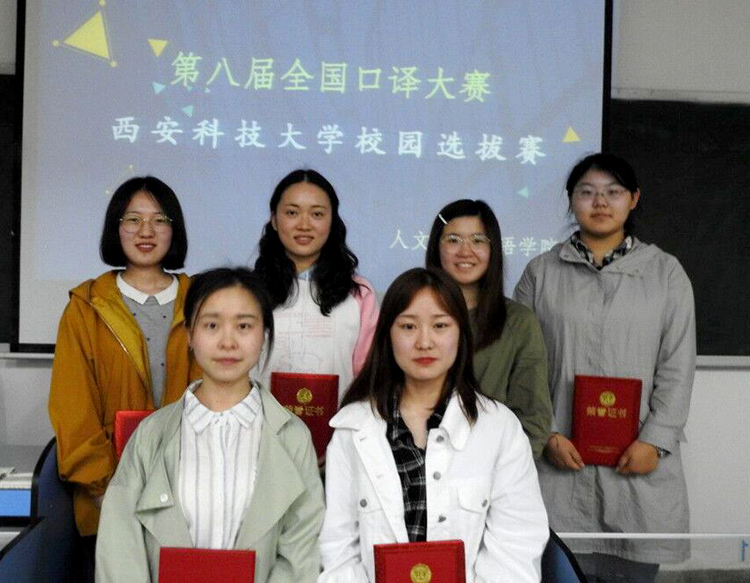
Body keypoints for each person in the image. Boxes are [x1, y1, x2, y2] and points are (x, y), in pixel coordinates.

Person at [514, 153, 696, 582]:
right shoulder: (541, 273)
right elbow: (522, 369)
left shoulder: (665, 274)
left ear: (633, 199)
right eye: (587, 192)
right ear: (571, 200)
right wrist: (546, 434)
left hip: (637, 466)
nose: (600, 202)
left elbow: (677, 366)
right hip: (558, 464)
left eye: (613, 192)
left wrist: (656, 442)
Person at [319, 268, 548, 583]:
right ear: (387, 334)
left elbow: (516, 548)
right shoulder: (352, 429)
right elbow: (338, 548)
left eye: (440, 325)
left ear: (461, 333)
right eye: (408, 326)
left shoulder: (500, 429)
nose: (424, 342)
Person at [96, 267, 325, 582]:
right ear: (190, 334)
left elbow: (301, 550)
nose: (227, 342)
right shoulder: (151, 434)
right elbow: (119, 544)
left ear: (264, 335)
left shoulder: (292, 437)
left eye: (244, 326)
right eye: (212, 325)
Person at [48, 176, 198, 544]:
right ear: (116, 228)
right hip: (107, 503)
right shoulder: (86, 307)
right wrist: (107, 494)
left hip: (191, 501)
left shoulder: (202, 301)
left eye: (159, 220)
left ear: (174, 229)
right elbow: (73, 411)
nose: (146, 230)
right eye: (133, 219)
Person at [425, 199, 552, 459]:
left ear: (493, 249)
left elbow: (533, 420)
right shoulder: (412, 315)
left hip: (490, 471)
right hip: (416, 465)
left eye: (478, 240)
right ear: (436, 247)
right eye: (453, 240)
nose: (465, 251)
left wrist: (501, 473)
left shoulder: (519, 322)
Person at [253, 169, 378, 405]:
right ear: (274, 220)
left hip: (339, 425)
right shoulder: (248, 292)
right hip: (261, 424)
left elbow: (369, 376)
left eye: (317, 214)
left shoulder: (359, 294)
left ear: (332, 221)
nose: (304, 225)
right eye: (292, 213)